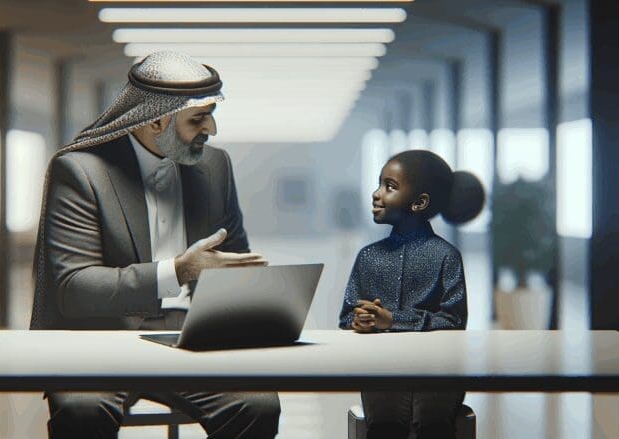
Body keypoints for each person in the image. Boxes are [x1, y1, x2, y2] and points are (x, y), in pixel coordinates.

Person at [30, 51, 281, 439]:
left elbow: (233, 263)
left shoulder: (216, 167)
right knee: (82, 410)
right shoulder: (80, 171)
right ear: (156, 120)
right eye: (198, 118)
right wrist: (179, 271)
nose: (211, 129)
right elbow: (73, 289)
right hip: (100, 341)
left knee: (257, 405)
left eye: (211, 114)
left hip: (193, 338)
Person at [338, 150, 485, 439]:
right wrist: (360, 321)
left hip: (440, 370)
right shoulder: (368, 257)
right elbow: (346, 317)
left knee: (432, 424)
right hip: (382, 368)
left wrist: (392, 320)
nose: (376, 194)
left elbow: (454, 321)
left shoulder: (446, 256)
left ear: (419, 203)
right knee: (384, 425)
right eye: (379, 184)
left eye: (389, 187)